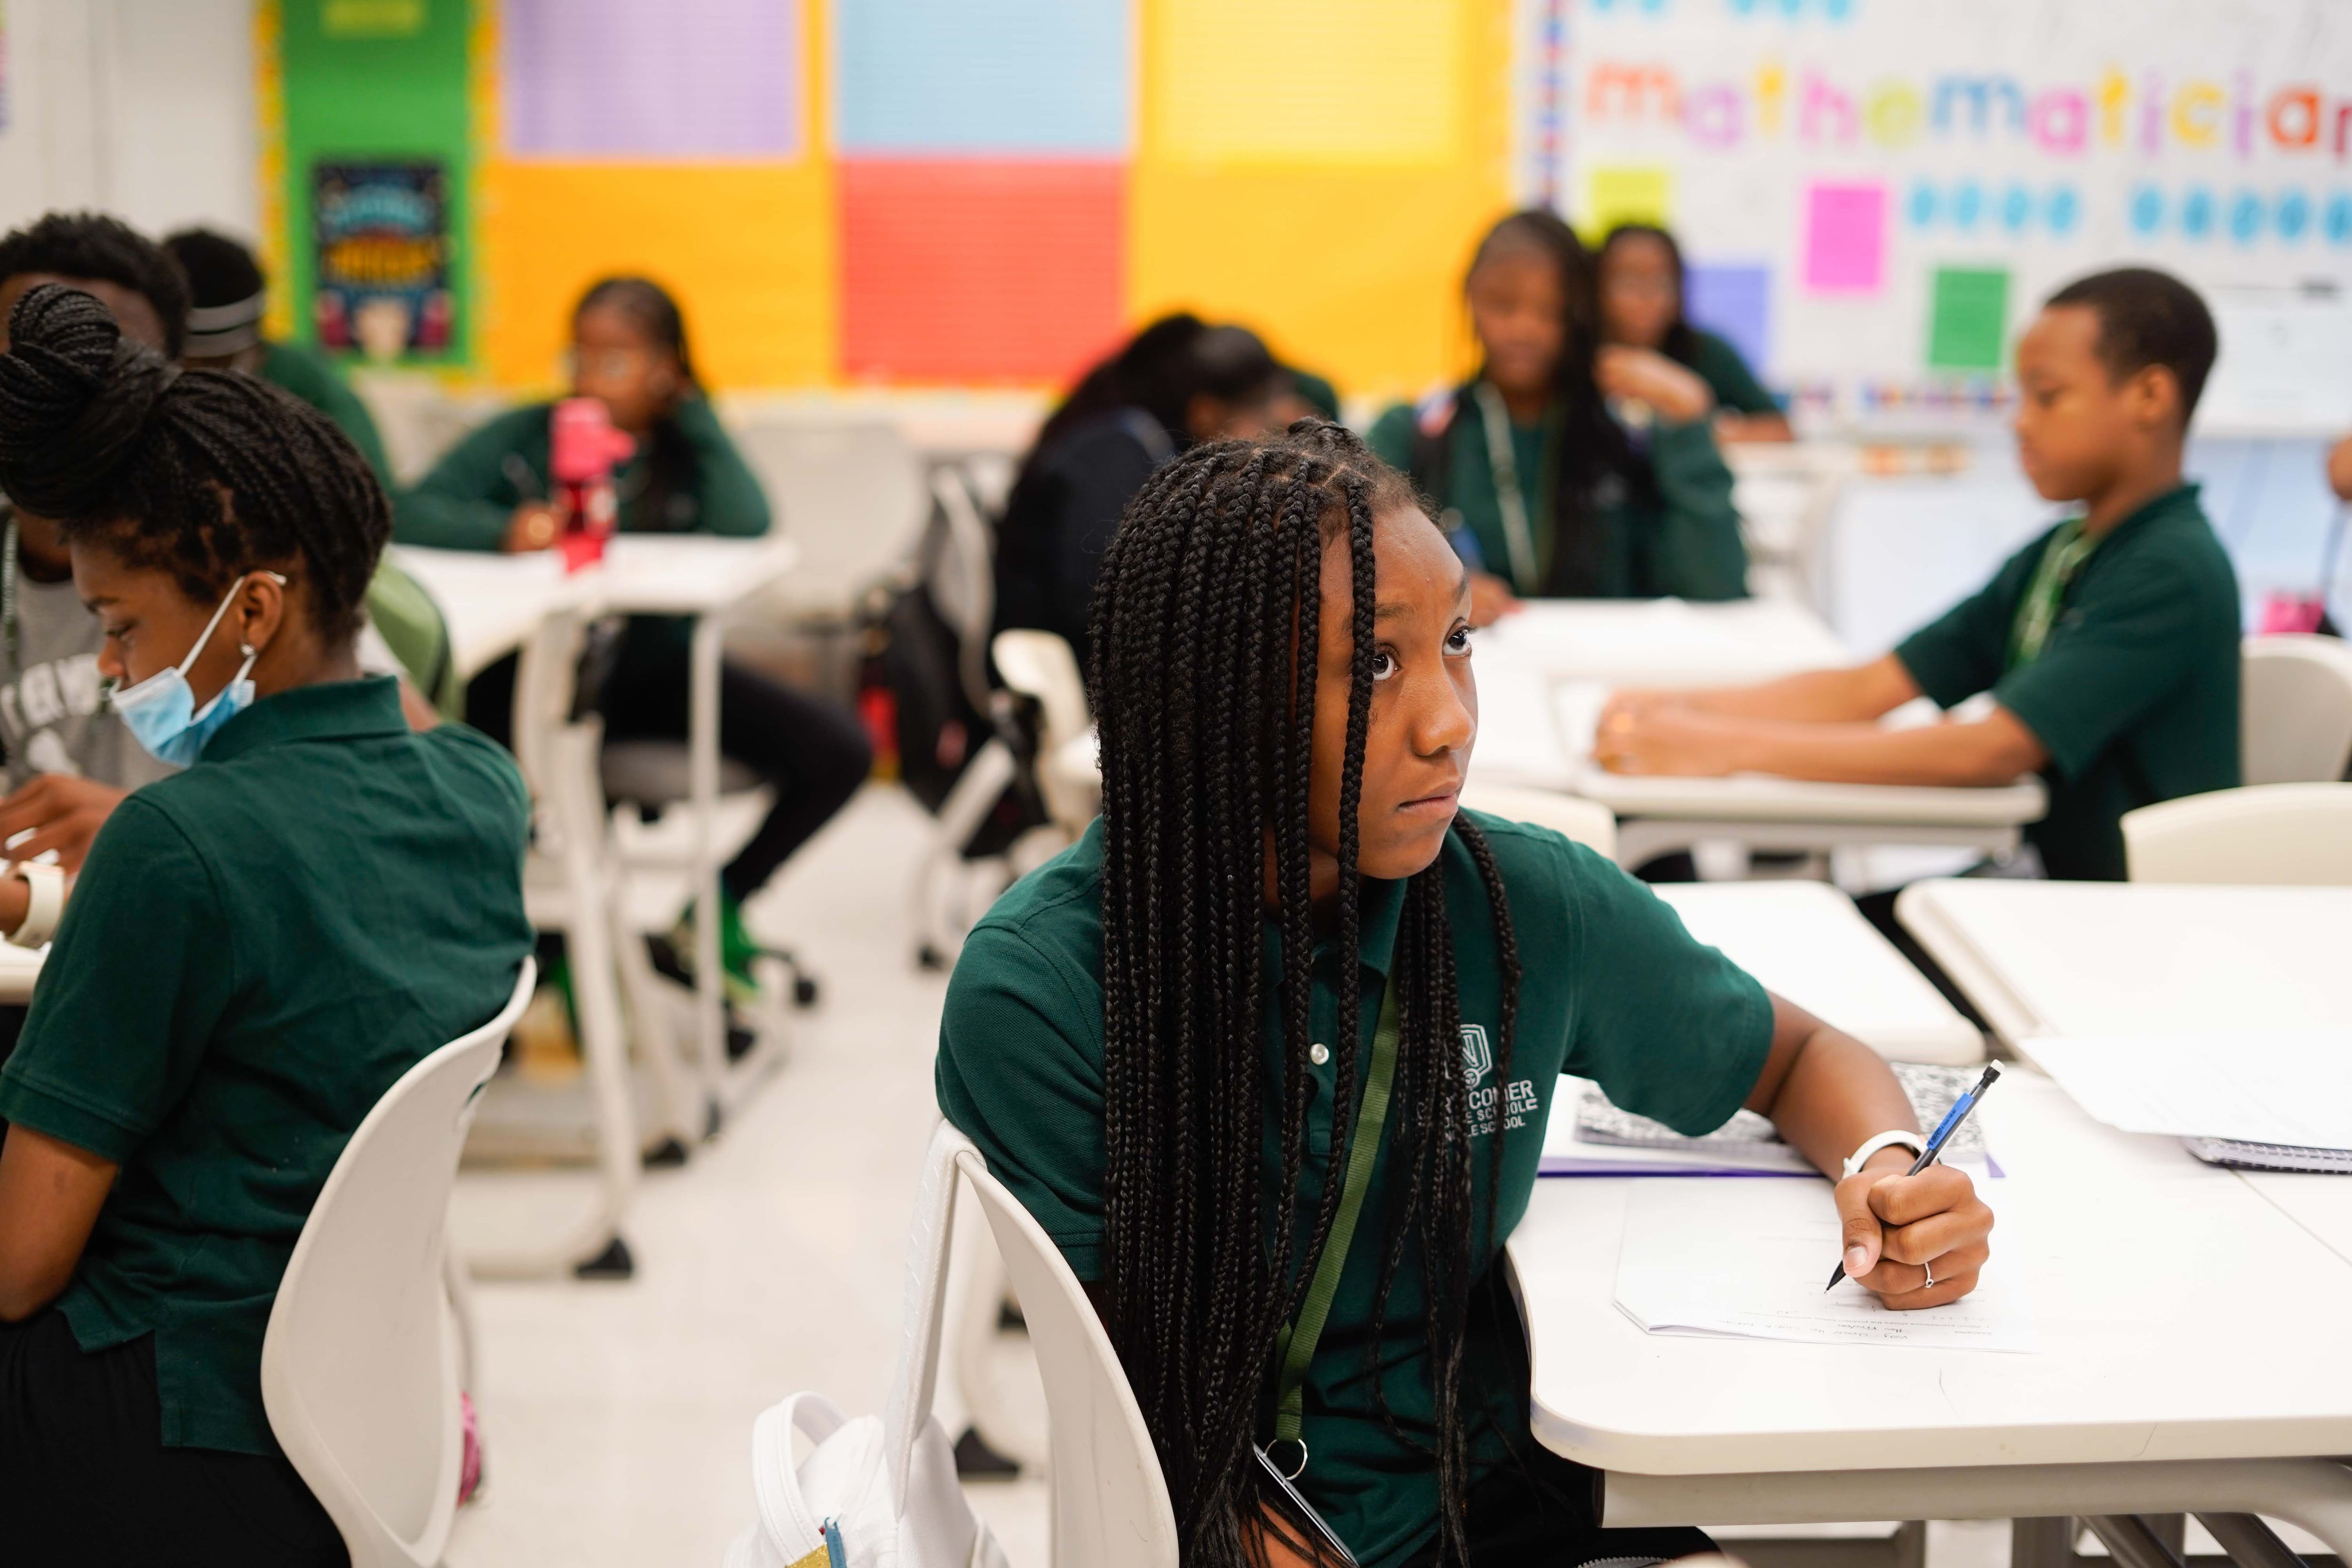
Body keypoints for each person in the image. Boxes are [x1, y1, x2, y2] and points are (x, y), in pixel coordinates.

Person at [937, 422, 1993, 1568]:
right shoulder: (1047, 986)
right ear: (1211, 695)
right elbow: (1135, 1417)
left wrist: (1887, 1165)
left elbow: (1794, 1057)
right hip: (1232, 1520)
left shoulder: (1520, 904)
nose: (1449, 723)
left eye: (1457, 644)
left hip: (1500, 1492)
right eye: (1378, 664)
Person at [0, 282, 532, 1563]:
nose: (114, 670)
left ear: (252, 609)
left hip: (179, 1428)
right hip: (354, 1412)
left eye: (124, 627)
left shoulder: (177, 847)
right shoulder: (478, 786)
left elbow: (20, 1266)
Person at [1594, 267, 2238, 890]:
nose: (2019, 420)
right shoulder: (2068, 549)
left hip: (2112, 919)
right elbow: (1874, 686)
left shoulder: (2168, 567)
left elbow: (1991, 751)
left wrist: (1722, 747)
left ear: (2150, 397)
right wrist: (1681, 709)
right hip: (2043, 891)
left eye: (2048, 396)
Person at [397, 276, 871, 1001]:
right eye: (579, 358)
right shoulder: (529, 434)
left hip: (653, 674)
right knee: (492, 804)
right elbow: (408, 510)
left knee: (839, 749)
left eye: (616, 362)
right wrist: (504, 530)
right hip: (528, 682)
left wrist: (693, 411)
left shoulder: (687, 450)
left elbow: (746, 523)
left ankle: (711, 911)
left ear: (666, 370)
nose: (590, 379)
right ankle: (533, 964)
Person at [1367, 211, 1748, 630]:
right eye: (1502, 303)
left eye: (1552, 311)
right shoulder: (1415, 433)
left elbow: (1717, 589)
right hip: (1465, 680)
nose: (1524, 328)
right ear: (1470, 298)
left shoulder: (1626, 436)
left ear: (1582, 316)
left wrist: (1690, 420)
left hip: (1616, 675)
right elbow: (1349, 572)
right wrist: (1428, 591)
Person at [993, 314, 1293, 668]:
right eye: (1263, 425)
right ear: (1206, 413)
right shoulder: (1114, 458)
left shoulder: (1145, 446)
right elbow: (1100, 600)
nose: (1263, 444)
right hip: (1069, 669)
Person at [162, 226, 395, 483]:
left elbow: (369, 485)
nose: (202, 380)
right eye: (186, 364)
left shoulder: (305, 383)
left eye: (219, 363)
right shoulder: (136, 385)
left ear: (256, 344)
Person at [1597, 223, 1793, 444]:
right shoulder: (1580, 354)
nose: (1646, 296)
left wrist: (1692, 416)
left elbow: (1778, 428)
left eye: (1662, 282)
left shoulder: (1706, 350)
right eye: (1629, 282)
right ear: (1598, 288)